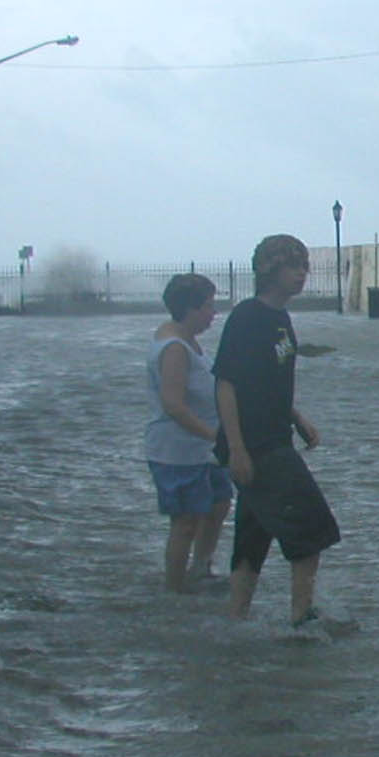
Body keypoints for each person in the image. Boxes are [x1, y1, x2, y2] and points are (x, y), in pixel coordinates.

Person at [212, 233, 343, 630]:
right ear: (271, 270)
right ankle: (302, 618)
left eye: (304, 266)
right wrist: (236, 449)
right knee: (313, 527)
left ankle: (235, 620)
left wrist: (295, 416)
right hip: (257, 446)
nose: (302, 275)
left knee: (254, 534)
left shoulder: (280, 319)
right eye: (293, 267)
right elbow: (227, 383)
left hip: (274, 436)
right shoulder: (247, 318)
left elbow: (266, 380)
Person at [145, 272, 232, 592]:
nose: (213, 313)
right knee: (185, 523)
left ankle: (201, 568)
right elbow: (173, 405)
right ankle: (175, 588)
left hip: (203, 451)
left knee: (220, 503)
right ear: (189, 309)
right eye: (209, 306)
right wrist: (215, 436)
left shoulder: (187, 340)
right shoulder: (174, 348)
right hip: (178, 451)